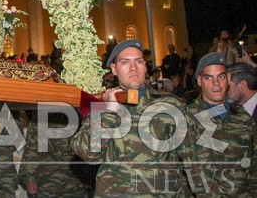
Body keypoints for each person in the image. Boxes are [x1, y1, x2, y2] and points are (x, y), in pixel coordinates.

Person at [70, 39, 191, 196]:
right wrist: (110, 111)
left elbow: (191, 158)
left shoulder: (170, 104)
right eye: (125, 62)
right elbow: (87, 153)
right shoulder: (101, 107)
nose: (133, 68)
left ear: (145, 66)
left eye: (139, 61)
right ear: (114, 69)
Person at [186, 53, 257, 195]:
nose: (216, 83)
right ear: (200, 81)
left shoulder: (244, 118)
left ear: (229, 78)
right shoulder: (186, 120)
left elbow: (254, 167)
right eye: (208, 77)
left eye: (221, 76)